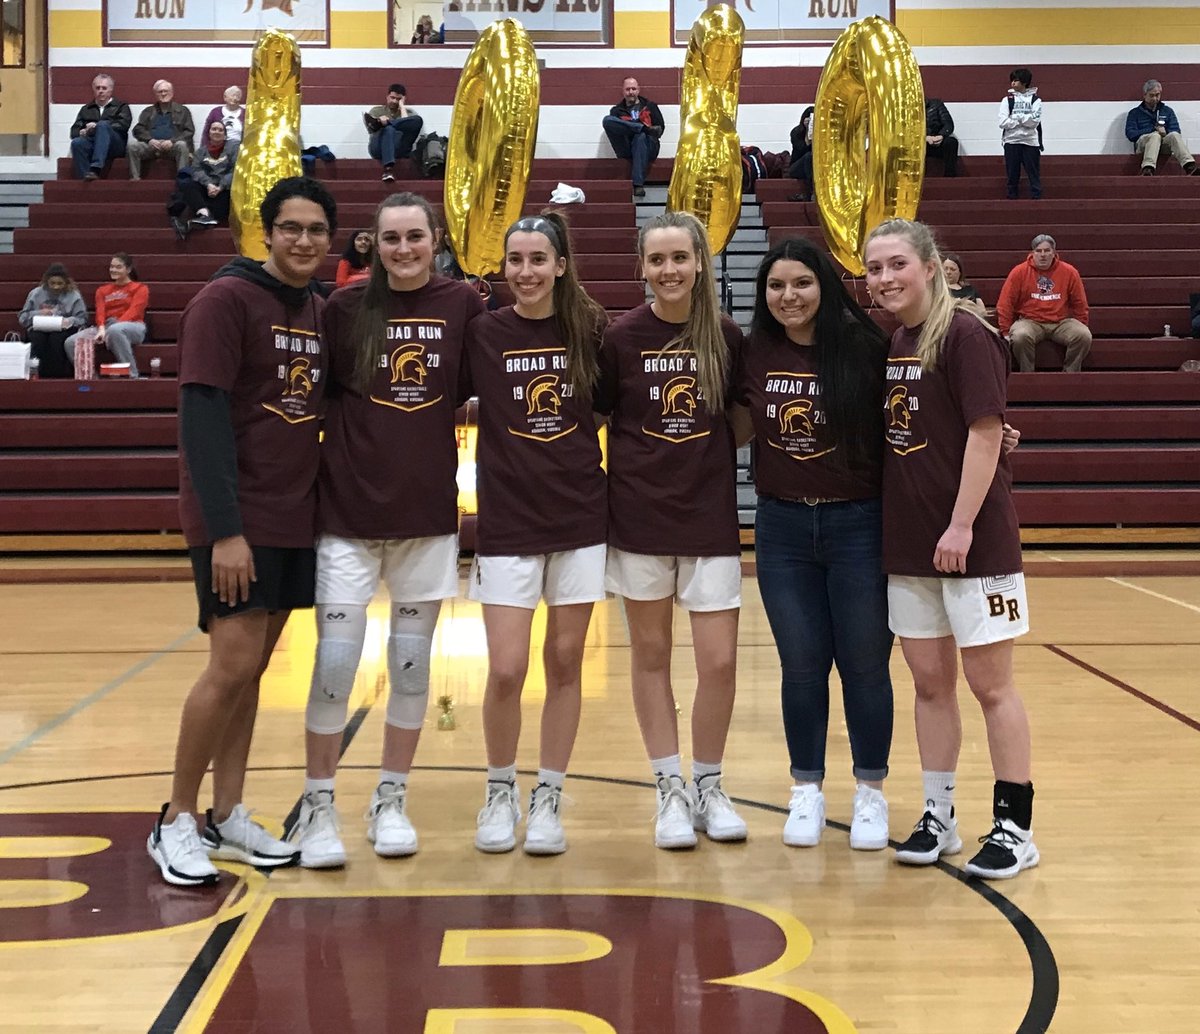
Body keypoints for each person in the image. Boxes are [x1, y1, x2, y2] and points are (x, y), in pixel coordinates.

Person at [147, 176, 338, 887]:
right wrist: (225, 530)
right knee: (227, 667)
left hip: (294, 517)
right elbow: (200, 417)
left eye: (316, 229)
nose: (303, 240)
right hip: (237, 520)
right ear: (265, 231)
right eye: (291, 227)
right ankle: (176, 821)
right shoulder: (224, 301)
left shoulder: (317, 310)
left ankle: (228, 814)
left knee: (253, 672)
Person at [287, 193, 486, 869]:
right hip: (346, 515)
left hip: (425, 517)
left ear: (436, 241)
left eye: (415, 238)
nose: (404, 249)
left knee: (409, 666)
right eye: (391, 239)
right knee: (336, 664)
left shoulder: (464, 306)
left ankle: (390, 799)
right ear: (372, 245)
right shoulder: (342, 309)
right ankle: (318, 805)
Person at [864, 218, 1038, 882]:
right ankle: (939, 815)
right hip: (909, 544)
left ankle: (1014, 826)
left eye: (897, 264)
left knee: (991, 686)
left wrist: (961, 525)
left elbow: (987, 432)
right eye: (875, 269)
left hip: (974, 542)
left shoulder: (966, 333)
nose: (885, 279)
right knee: (930, 685)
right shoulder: (897, 341)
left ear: (931, 266)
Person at [729, 238, 893, 850]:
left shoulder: (865, 350)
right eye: (776, 286)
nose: (788, 296)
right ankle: (806, 790)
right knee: (801, 667)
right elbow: (728, 427)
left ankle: (871, 792)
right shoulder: (754, 352)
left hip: (859, 525)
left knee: (865, 666)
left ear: (823, 286)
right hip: (783, 530)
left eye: (801, 283)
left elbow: (914, 417)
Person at [595, 211, 747, 850]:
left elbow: (743, 419)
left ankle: (709, 784)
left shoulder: (728, 337)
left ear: (699, 263)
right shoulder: (620, 338)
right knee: (652, 658)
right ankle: (669, 790)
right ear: (642, 267)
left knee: (718, 661)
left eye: (680, 257)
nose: (669, 270)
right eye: (656, 259)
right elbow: (600, 419)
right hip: (638, 519)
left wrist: (701, 461)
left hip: (708, 520)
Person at [464, 212, 608, 856]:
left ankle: (548, 796)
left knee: (566, 661)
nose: (525, 271)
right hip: (507, 520)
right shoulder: (484, 334)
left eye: (537, 259)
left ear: (560, 265)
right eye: (515, 259)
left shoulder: (591, 330)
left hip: (579, 517)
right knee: (505, 668)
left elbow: (605, 411)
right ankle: (500, 790)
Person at [996, 234, 1091, 372]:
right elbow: (1005, 303)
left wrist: (1081, 322)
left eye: (1047, 251)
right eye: (1038, 251)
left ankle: (1071, 374)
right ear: (1032, 253)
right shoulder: (1019, 272)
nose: (1043, 255)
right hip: (1030, 321)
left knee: (1083, 335)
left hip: (1060, 322)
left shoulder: (1069, 272)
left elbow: (1080, 302)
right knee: (1020, 336)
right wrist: (1005, 331)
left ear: (1054, 253)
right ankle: (1027, 376)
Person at [64, 253, 149, 378]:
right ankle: (90, 378)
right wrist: (102, 329)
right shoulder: (102, 290)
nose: (113, 270)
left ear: (129, 269)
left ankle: (132, 375)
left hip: (133, 325)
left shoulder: (140, 288)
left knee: (115, 330)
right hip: (106, 326)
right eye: (112, 266)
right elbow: (100, 312)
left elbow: (134, 311)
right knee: (71, 342)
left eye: (118, 267)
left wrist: (111, 329)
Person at [167, 121, 239, 239]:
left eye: (220, 130)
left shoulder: (233, 147)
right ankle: (204, 214)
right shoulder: (200, 152)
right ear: (209, 133)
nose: (217, 132)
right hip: (208, 190)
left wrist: (220, 186)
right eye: (214, 129)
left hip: (226, 191)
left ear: (225, 135)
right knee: (187, 183)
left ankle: (192, 223)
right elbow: (197, 171)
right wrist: (209, 184)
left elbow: (235, 170)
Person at [17, 263, 87, 379]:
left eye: (60, 284)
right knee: (37, 338)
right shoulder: (36, 293)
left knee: (57, 339)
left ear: (66, 283)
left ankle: (58, 374)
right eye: (52, 283)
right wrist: (39, 313)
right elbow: (23, 317)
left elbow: (82, 318)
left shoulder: (74, 296)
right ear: (46, 282)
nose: (56, 287)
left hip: (63, 329)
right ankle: (39, 373)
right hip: (38, 327)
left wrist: (68, 321)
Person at [602, 77, 665, 198]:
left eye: (633, 89)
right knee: (607, 120)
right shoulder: (616, 111)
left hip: (648, 147)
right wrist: (642, 127)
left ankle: (638, 185)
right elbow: (613, 128)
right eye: (628, 89)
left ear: (638, 90)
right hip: (626, 147)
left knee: (640, 136)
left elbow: (659, 131)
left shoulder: (650, 106)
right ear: (623, 91)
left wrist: (643, 132)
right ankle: (641, 128)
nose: (631, 92)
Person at [1124, 80, 1197, 177]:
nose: (1155, 98)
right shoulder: (1134, 113)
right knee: (1154, 136)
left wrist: (1165, 132)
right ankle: (1148, 168)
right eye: (1151, 95)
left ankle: (1190, 166)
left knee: (1174, 135)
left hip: (1163, 145)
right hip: (1144, 145)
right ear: (1144, 95)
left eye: (1157, 95)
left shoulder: (1167, 111)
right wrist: (1152, 130)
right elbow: (1131, 134)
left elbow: (1176, 131)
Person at [68, 73, 132, 181]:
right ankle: (85, 177)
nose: (100, 91)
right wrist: (82, 132)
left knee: (103, 125)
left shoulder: (122, 107)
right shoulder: (86, 109)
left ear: (111, 90)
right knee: (77, 143)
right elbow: (73, 132)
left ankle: (96, 168)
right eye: (98, 88)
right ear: (93, 89)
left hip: (115, 145)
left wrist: (98, 127)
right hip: (93, 143)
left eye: (104, 88)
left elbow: (123, 125)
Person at [127, 80, 194, 181]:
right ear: (155, 94)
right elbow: (138, 129)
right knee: (132, 146)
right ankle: (135, 179)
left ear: (172, 93)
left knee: (182, 145)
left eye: (166, 91)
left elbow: (189, 131)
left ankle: (183, 180)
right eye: (160, 92)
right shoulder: (148, 111)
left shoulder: (183, 110)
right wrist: (150, 140)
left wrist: (172, 141)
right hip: (152, 146)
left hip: (172, 147)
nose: (163, 94)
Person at [365, 84, 423, 183]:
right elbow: (371, 129)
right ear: (387, 96)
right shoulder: (377, 110)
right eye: (392, 98)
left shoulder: (409, 112)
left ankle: (387, 123)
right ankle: (388, 169)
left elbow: (409, 126)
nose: (394, 101)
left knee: (417, 120)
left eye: (398, 99)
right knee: (388, 130)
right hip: (378, 148)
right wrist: (379, 120)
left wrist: (402, 107)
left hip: (400, 148)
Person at [999, 68, 1042, 200]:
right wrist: (1023, 119)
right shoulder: (1007, 100)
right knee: (1012, 173)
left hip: (1030, 141)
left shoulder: (1036, 100)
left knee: (1033, 172)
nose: (1012, 83)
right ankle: (1012, 196)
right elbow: (1002, 122)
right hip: (1011, 141)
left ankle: (1036, 195)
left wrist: (1016, 118)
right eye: (1012, 80)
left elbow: (1034, 121)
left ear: (1024, 82)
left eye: (1016, 80)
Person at [942, 253, 987, 318]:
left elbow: (982, 312)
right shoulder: (938, 290)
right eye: (945, 269)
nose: (948, 272)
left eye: (952, 269)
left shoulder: (970, 290)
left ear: (960, 272)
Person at [202, 86, 246, 151]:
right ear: (225, 97)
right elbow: (206, 133)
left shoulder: (245, 113)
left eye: (238, 96)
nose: (235, 98)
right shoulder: (215, 112)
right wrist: (203, 150)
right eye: (232, 95)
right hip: (217, 147)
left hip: (238, 148)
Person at [924, 97, 959, 177]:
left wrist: (941, 135)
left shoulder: (936, 104)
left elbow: (948, 124)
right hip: (917, 143)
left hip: (936, 140)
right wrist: (924, 138)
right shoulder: (906, 108)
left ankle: (950, 176)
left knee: (951, 142)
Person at [788, 106, 815, 202]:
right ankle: (812, 191)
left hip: (812, 167)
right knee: (808, 156)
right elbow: (802, 149)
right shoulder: (796, 132)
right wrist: (809, 131)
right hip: (796, 166)